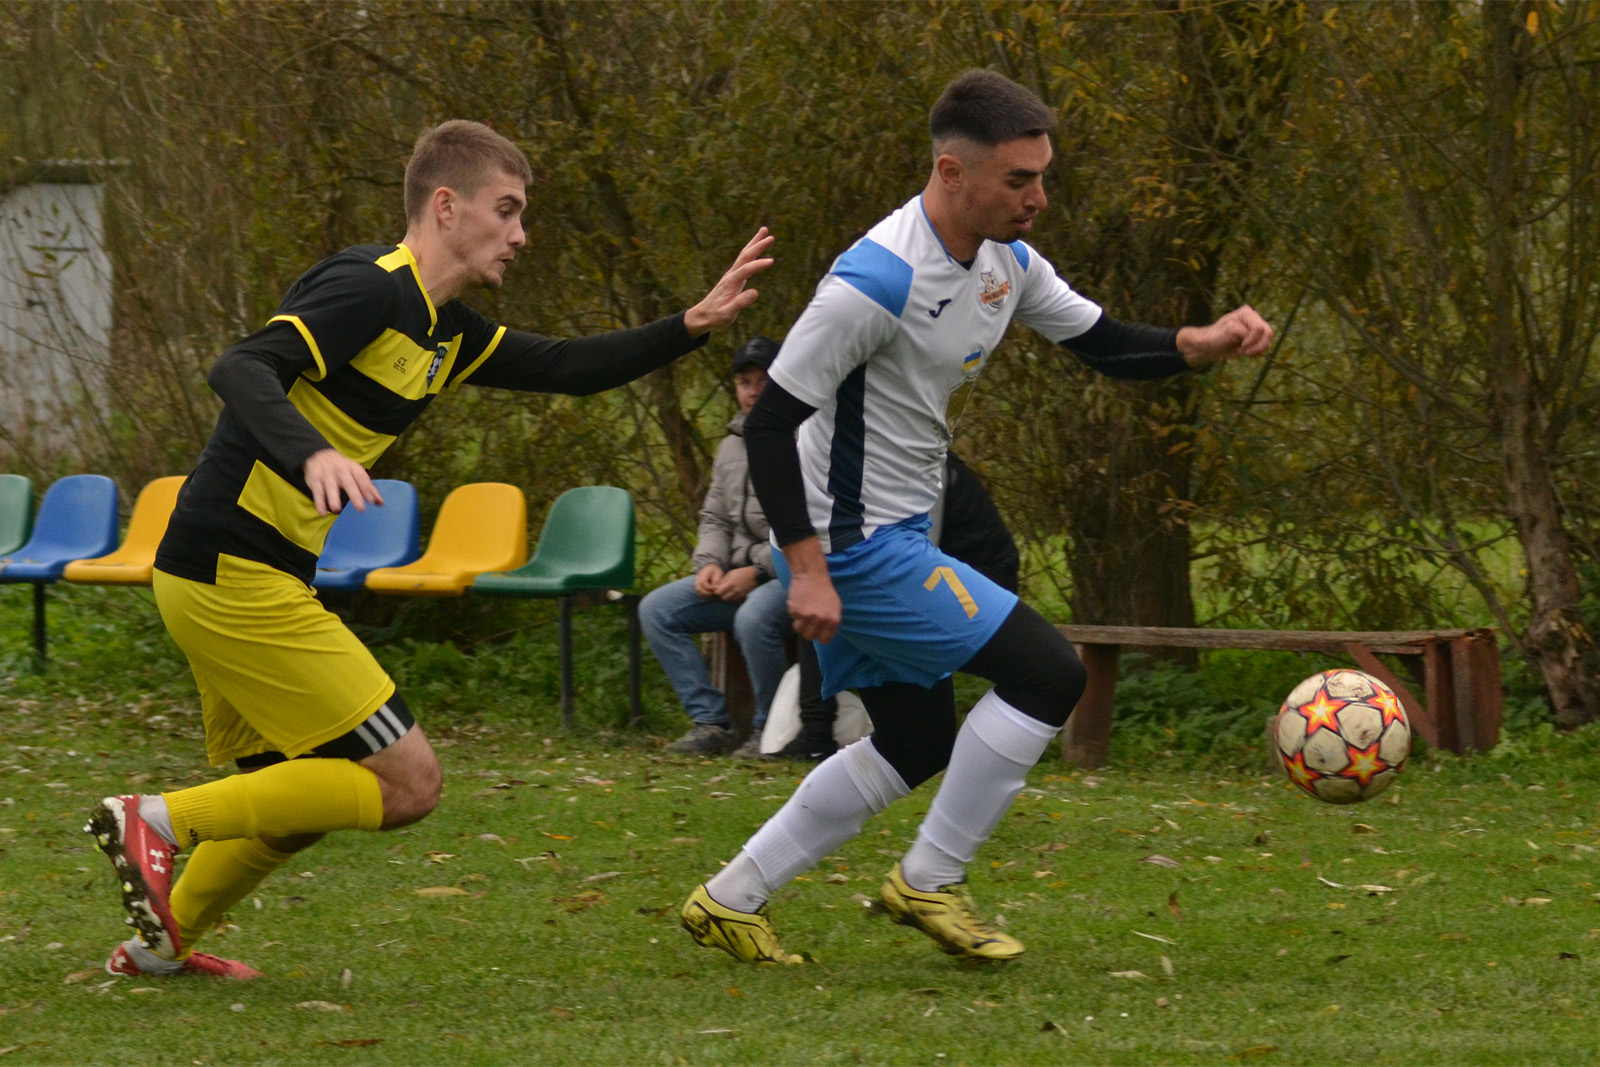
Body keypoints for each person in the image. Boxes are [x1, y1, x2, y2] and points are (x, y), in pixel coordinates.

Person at [84, 120, 773, 980]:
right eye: (507, 210)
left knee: (290, 806)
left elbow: (569, 366)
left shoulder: (449, 331)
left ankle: (156, 946)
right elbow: (241, 365)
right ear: (446, 207)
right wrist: (313, 451)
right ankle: (156, 822)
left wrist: (693, 322)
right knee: (408, 784)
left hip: (230, 576)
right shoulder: (369, 287)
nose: (521, 234)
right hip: (234, 573)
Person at [681, 70, 1271, 964]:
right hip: (857, 547)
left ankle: (729, 898)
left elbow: (1104, 342)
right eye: (1018, 180)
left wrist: (1198, 344)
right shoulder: (872, 282)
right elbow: (770, 425)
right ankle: (931, 877)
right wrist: (803, 568)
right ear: (952, 173)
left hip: (896, 535)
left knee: (916, 739)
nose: (1038, 198)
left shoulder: (1006, 261)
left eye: (1043, 176)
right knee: (1047, 673)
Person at [772, 450, 1018, 763]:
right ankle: (819, 732)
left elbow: (923, 548)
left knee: (831, 605)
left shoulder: (922, 463)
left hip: (981, 579)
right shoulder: (863, 458)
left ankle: (819, 734)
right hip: (938, 571)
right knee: (822, 607)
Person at [639, 336, 791, 758]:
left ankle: (771, 732)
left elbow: (809, 529)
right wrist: (709, 564)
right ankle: (711, 723)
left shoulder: (805, 440)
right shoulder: (730, 446)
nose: (754, 390)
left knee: (754, 619)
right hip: (736, 575)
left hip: (791, 574)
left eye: (765, 380)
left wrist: (756, 571)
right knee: (657, 610)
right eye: (745, 381)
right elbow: (715, 518)